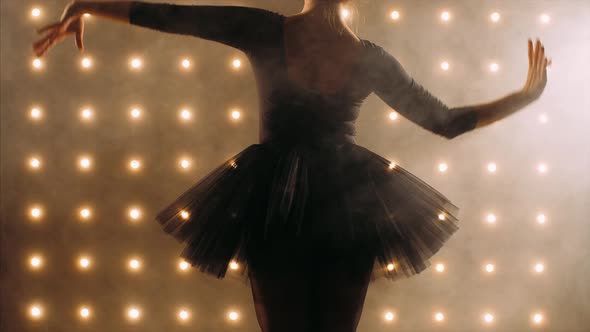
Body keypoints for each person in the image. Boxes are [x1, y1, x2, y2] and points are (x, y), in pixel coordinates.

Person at [33, 1, 550, 331]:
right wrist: (521, 99)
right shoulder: (367, 57)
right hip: (345, 205)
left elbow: (176, 16)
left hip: (287, 202)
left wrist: (87, 5)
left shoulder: (269, 30)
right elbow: (446, 121)